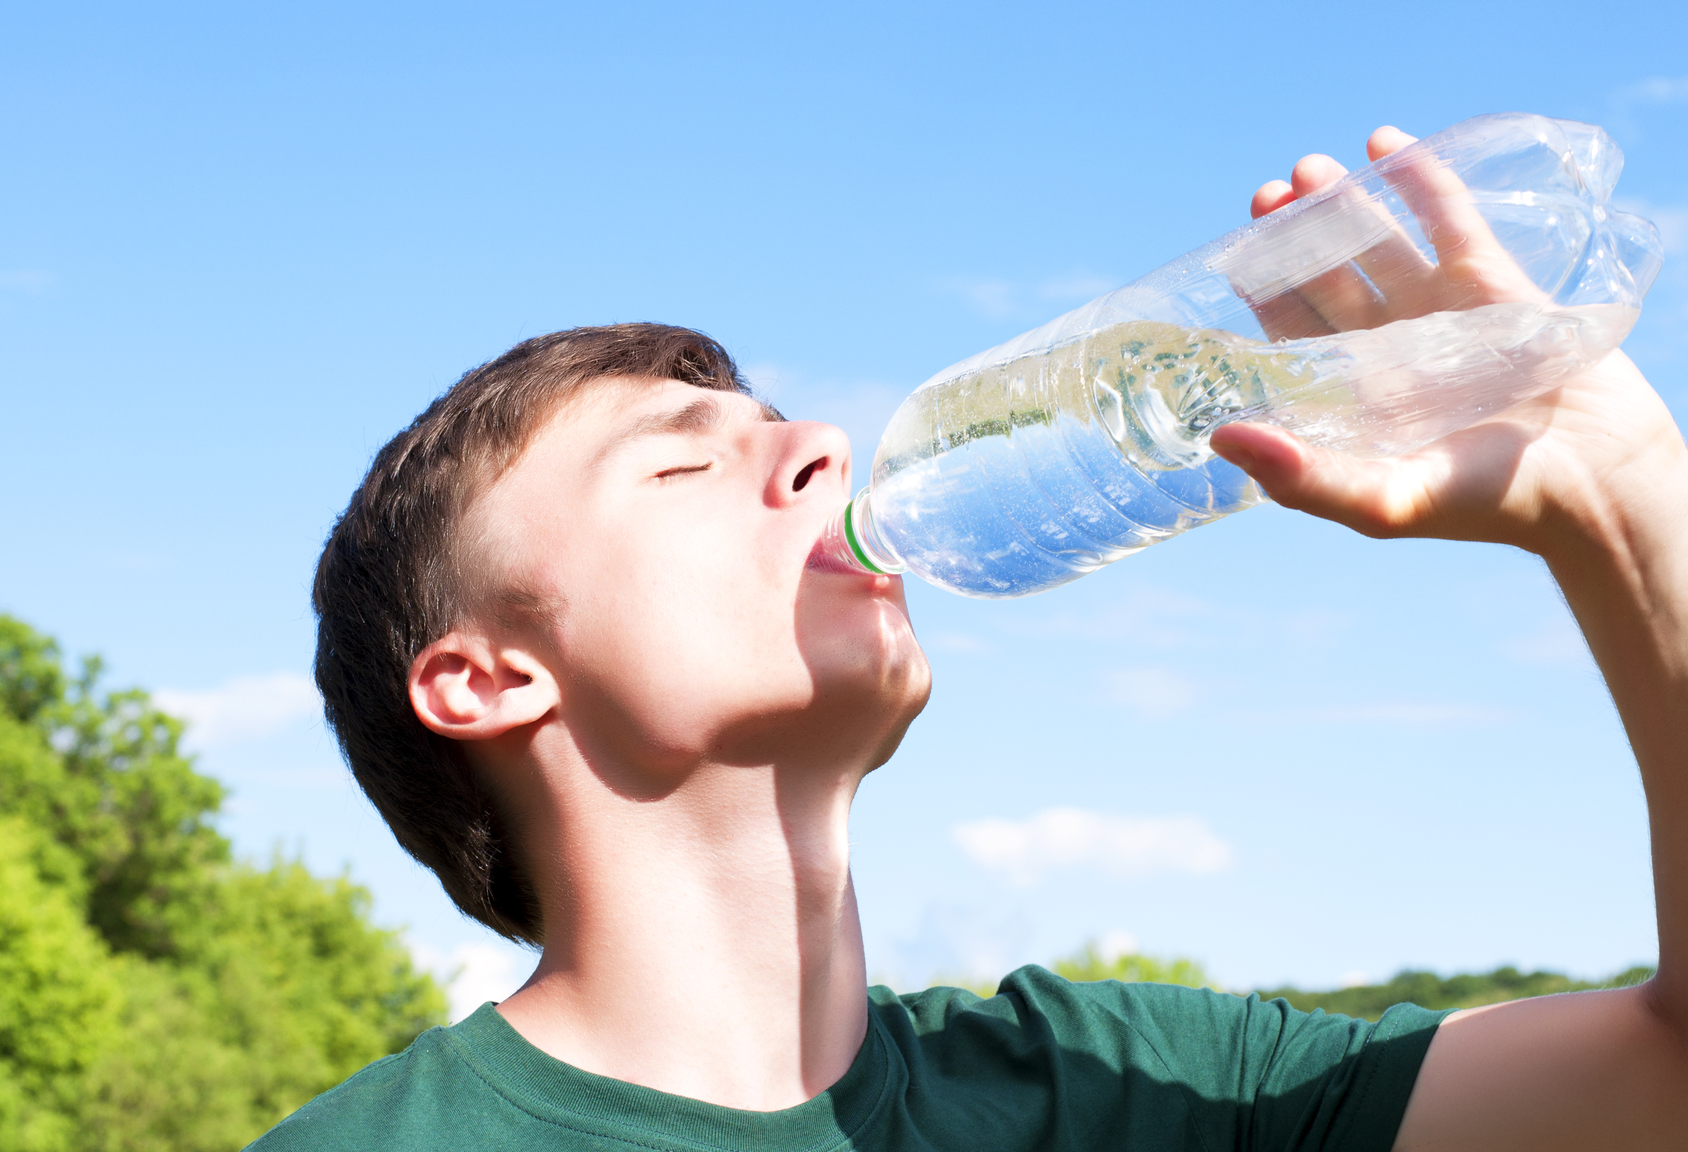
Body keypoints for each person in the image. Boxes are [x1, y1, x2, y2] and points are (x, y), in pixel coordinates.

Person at [252, 127, 1688, 1150]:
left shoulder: (1125, 1090)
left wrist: (1626, 503)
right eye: (680, 462)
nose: (822, 444)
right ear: (487, 676)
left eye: (785, 426)